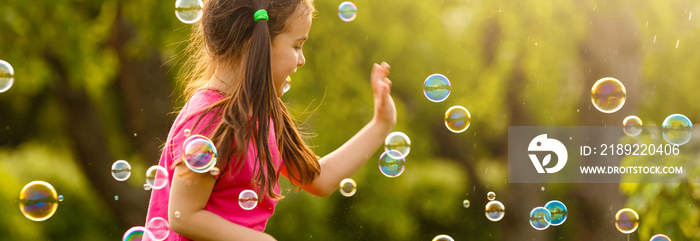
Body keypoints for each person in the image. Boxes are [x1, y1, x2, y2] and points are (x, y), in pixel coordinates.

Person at [144, 0, 396, 240]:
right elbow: (183, 216)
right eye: (297, 46)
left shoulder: (265, 114)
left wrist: (381, 124)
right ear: (257, 43)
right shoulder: (210, 118)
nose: (302, 59)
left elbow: (319, 179)